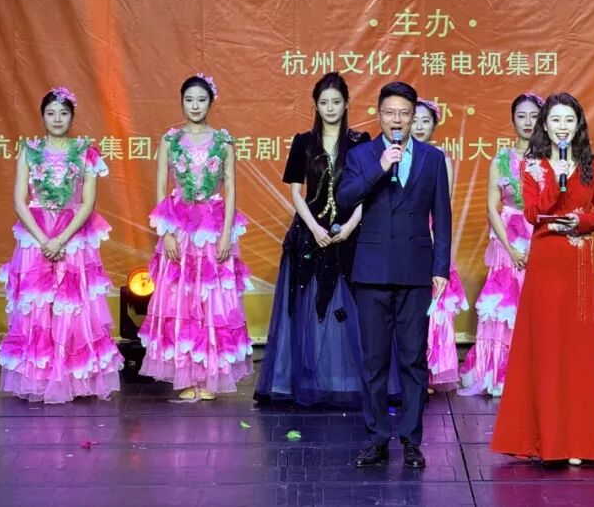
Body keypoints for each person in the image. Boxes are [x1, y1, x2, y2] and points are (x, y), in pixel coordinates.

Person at [491, 93, 594, 465]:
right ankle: (546, 440)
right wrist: (555, 178)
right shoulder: (533, 166)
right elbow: (533, 213)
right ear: (545, 125)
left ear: (579, 125)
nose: (563, 127)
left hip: (578, 262)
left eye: (569, 120)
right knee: (546, 347)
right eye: (556, 120)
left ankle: (579, 440)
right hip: (546, 260)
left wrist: (581, 220)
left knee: (578, 350)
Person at [338, 81, 451, 469]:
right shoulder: (362, 155)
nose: (397, 119)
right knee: (374, 362)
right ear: (379, 115)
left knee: (413, 360)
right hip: (371, 272)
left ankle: (411, 440)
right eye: (390, 112)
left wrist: (440, 268)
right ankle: (376, 439)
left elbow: (443, 217)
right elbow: (344, 199)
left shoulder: (432, 158)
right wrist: (380, 167)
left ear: (414, 116)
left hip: (416, 272)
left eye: (404, 113)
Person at [0, 87, 122, 403]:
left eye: (63, 113)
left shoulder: (86, 152)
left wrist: (61, 239)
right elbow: (19, 200)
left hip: (73, 236)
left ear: (72, 116)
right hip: (35, 237)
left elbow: (88, 202)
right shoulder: (29, 151)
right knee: (39, 308)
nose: (57, 119)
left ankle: (72, 377)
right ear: (42, 116)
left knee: (73, 305)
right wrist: (44, 241)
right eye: (51, 113)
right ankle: (40, 377)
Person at [254, 73, 371, 407]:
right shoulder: (303, 142)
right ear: (316, 106)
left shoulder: (361, 141)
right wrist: (315, 229)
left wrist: (350, 225)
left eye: (336, 102)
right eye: (323, 103)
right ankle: (310, 379)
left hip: (351, 233)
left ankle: (348, 380)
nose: (330, 108)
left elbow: (368, 190)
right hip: (309, 233)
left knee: (351, 305)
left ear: (346, 103)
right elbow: (296, 192)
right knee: (308, 307)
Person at [138, 74, 254, 400]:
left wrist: (227, 235)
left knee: (212, 300)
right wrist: (167, 233)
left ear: (210, 103)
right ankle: (187, 377)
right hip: (179, 226)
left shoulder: (223, 141)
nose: (195, 105)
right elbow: (161, 189)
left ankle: (210, 376)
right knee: (182, 300)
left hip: (213, 226)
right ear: (181, 102)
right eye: (189, 99)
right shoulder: (170, 140)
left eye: (201, 100)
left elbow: (231, 190)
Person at [459, 92, 543, 397]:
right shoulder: (501, 160)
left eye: (534, 116)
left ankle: (536, 375)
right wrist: (510, 249)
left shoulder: (551, 160)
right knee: (506, 307)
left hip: (542, 238)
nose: (528, 122)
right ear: (512, 120)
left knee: (537, 306)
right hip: (508, 240)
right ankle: (498, 373)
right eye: (521, 116)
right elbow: (492, 208)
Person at [411, 97, 469, 391]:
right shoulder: (395, 155)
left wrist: (436, 245)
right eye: (415, 121)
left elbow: (442, 207)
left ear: (434, 126)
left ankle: (430, 370)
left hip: (430, 238)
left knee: (433, 306)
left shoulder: (440, 159)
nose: (420, 127)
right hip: (403, 240)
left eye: (426, 121)